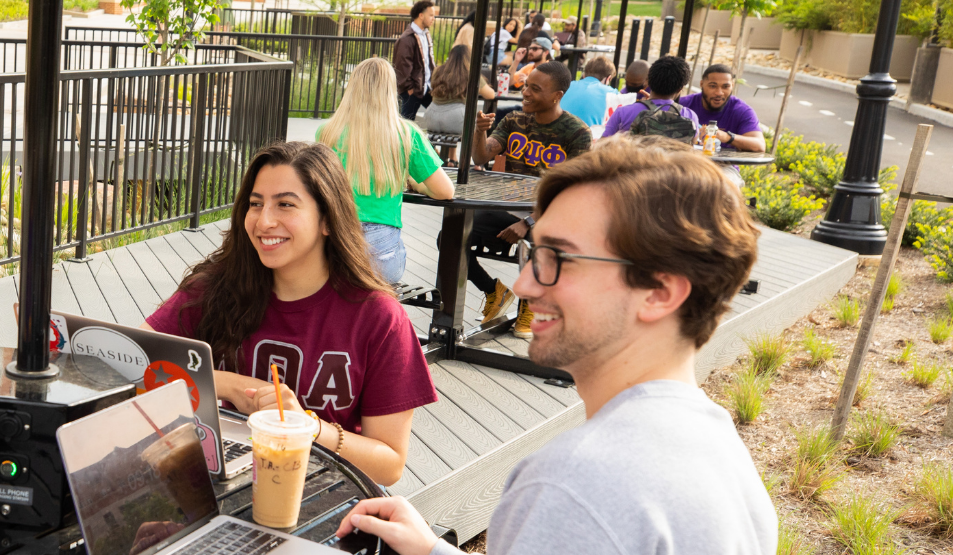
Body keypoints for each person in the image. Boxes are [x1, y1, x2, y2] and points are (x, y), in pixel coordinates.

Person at [333, 136, 775, 555]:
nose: (524, 285)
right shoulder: (717, 448)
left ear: (659, 292)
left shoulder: (577, 484)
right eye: (534, 255)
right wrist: (431, 548)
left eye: (556, 260)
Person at [145, 142, 437, 487]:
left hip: (322, 496)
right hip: (211, 486)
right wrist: (235, 386)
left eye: (285, 204)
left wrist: (309, 427)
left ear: (327, 219)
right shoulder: (214, 289)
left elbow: (389, 465)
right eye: (256, 204)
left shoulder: (379, 318)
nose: (264, 221)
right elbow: (133, 363)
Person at [469, 61, 592, 339]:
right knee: (451, 237)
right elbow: (481, 157)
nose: (525, 92)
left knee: (540, 242)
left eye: (535, 89)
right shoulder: (514, 120)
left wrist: (529, 221)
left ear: (557, 96)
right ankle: (494, 292)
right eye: (526, 86)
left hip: (551, 216)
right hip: (508, 209)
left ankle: (530, 306)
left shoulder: (577, 133)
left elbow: (572, 192)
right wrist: (480, 131)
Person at [318, 58, 456, 283]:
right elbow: (445, 191)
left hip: (334, 248)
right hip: (381, 255)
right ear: (390, 92)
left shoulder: (326, 132)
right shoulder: (406, 134)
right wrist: (418, 184)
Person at [603, 56, 700, 139]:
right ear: (680, 89)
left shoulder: (623, 113)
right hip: (672, 161)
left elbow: (602, 145)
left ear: (648, 81)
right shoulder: (690, 116)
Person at [680, 64, 767, 151]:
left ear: (732, 86)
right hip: (687, 162)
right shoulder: (682, 105)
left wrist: (725, 137)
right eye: (713, 86)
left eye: (725, 87)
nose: (719, 93)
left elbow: (759, 146)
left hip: (725, 164)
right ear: (702, 84)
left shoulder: (742, 110)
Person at [422, 44, 498, 135]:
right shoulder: (470, 73)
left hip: (431, 117)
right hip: (456, 118)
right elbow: (490, 95)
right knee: (478, 129)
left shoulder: (438, 70)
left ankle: (439, 150)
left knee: (449, 141)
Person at [391, 1, 440, 120]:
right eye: (431, 15)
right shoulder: (407, 39)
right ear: (421, 15)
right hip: (413, 90)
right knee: (406, 124)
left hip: (426, 88)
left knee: (439, 115)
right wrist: (409, 89)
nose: (433, 18)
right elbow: (401, 66)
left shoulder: (425, 35)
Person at [559, 56, 619, 128]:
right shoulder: (613, 94)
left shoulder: (567, 86)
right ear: (608, 78)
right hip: (591, 136)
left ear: (584, 75)